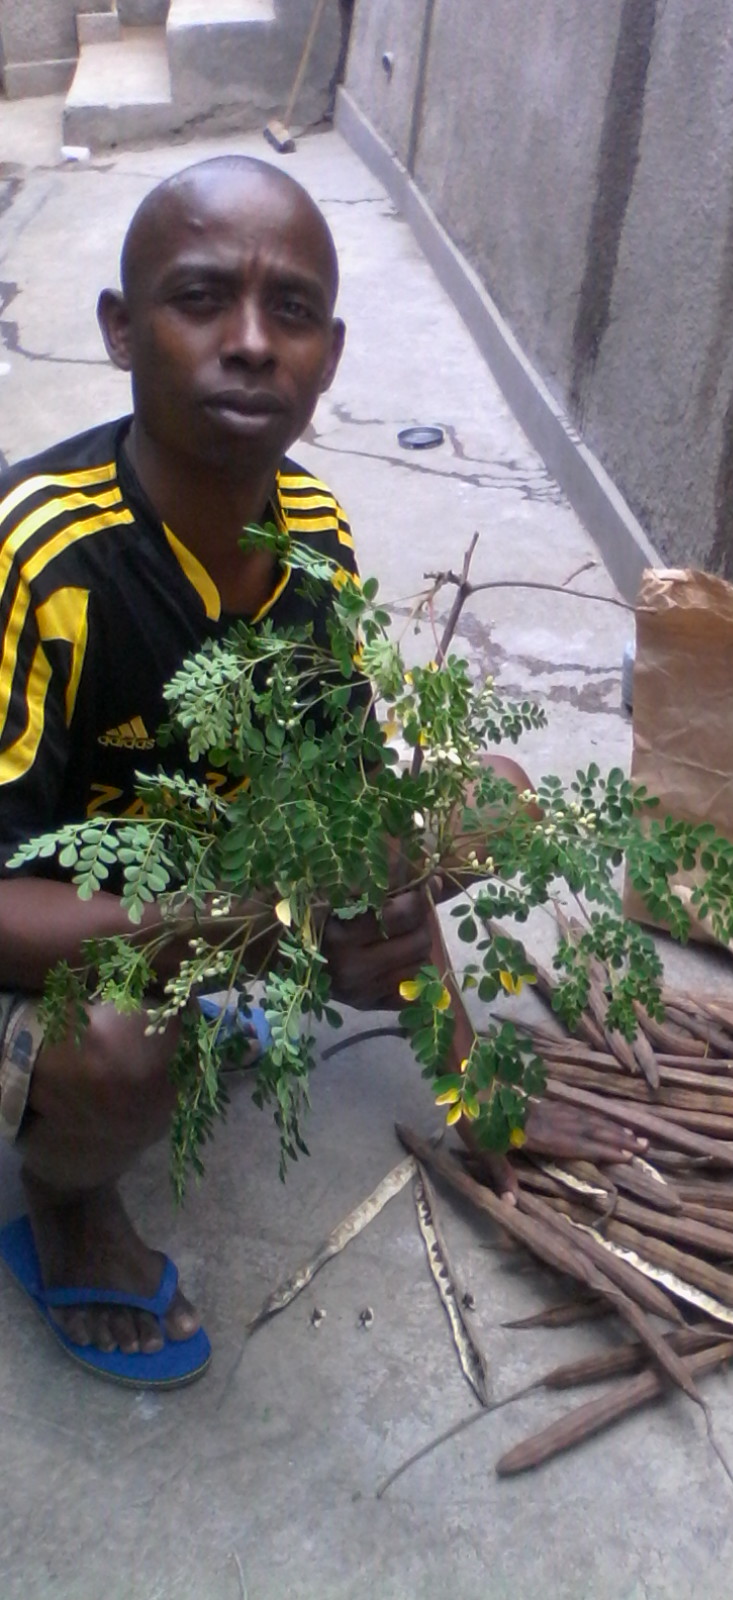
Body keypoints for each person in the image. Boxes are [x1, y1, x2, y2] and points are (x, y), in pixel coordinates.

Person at [0, 154, 522, 1386]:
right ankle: (67, 1200)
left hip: (213, 891)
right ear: (122, 331)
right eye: (199, 300)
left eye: (289, 311)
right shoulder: (41, 562)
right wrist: (245, 920)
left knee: (487, 798)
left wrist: (471, 1076)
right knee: (118, 1051)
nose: (249, 343)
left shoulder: (313, 535)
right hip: (57, 921)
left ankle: (210, 980)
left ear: (329, 356)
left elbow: (354, 809)